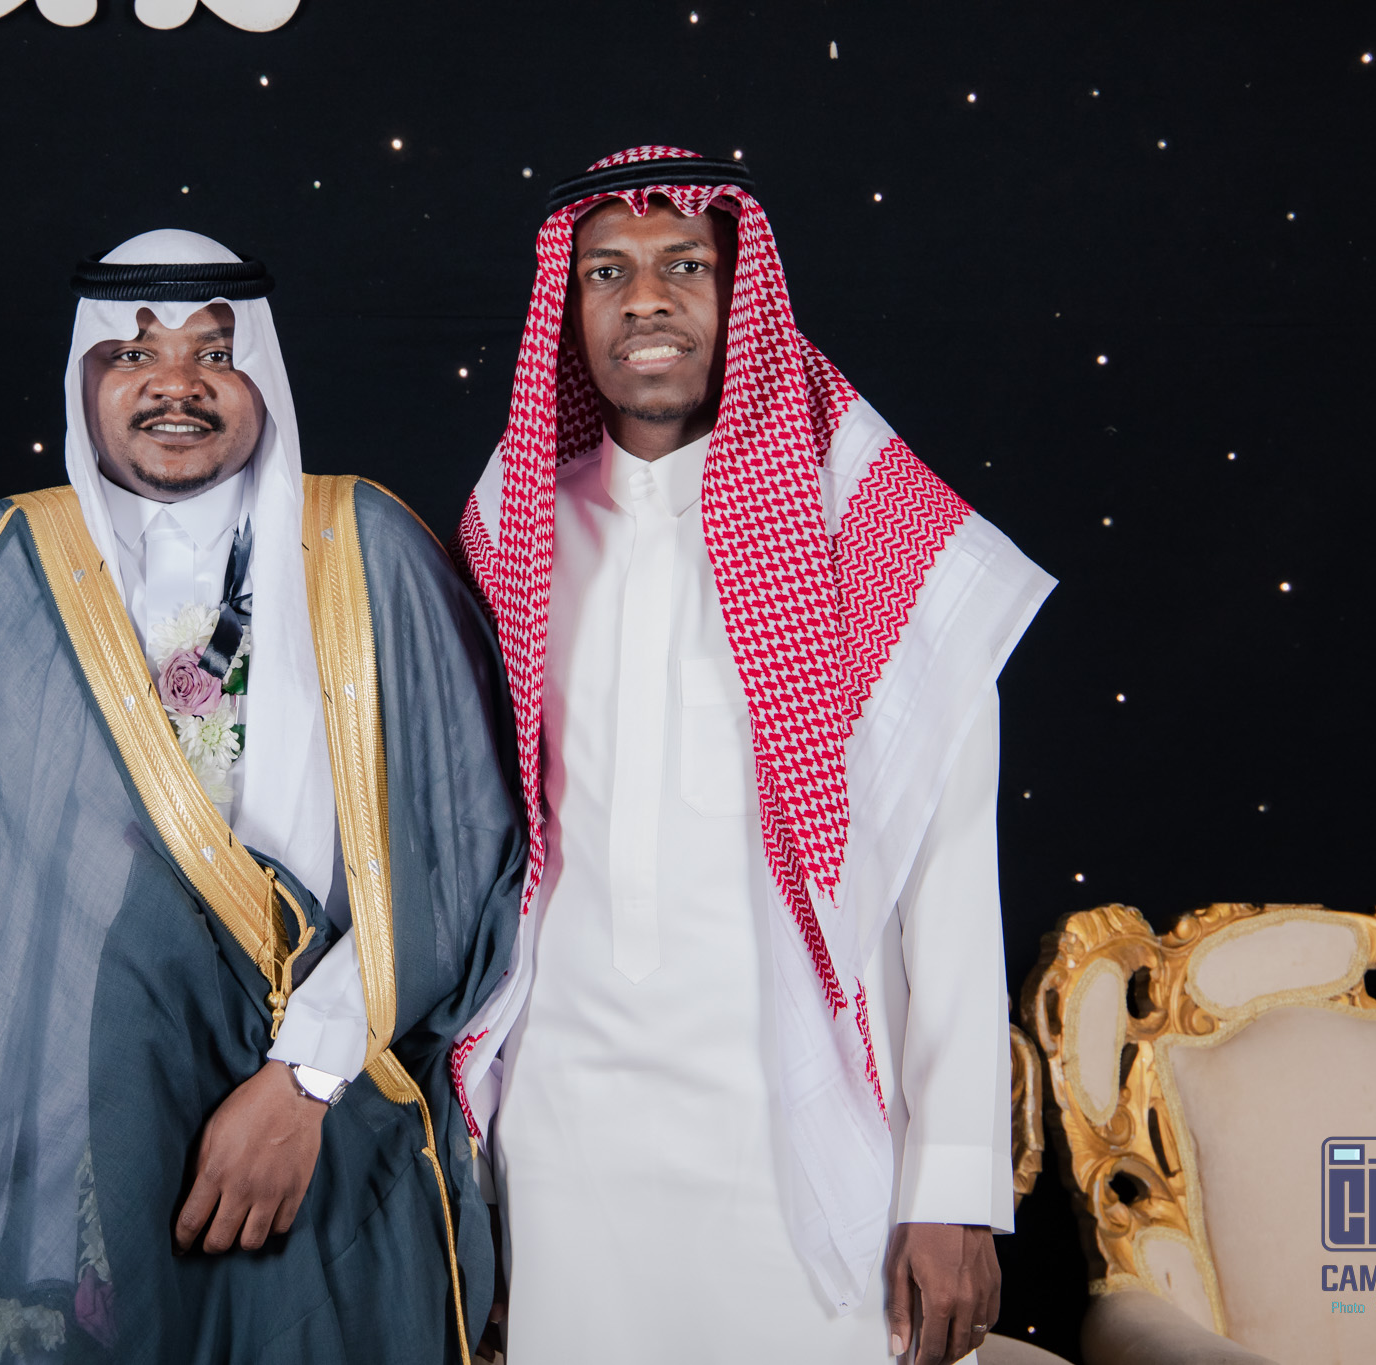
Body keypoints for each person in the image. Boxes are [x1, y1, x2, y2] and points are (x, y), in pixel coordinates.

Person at [0, 229, 524, 1365]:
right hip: (54, 1155)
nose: (176, 384)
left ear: (264, 375)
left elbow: (463, 851)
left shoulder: (369, 550)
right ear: (85, 375)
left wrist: (304, 1080)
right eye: (134, 353)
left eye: (215, 352)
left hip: (320, 1143)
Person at [451, 149, 1055, 1365]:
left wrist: (950, 1186)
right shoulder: (510, 527)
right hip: (569, 1141)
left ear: (744, 296)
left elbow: (948, 883)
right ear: (568, 309)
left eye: (685, 266)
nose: (646, 300)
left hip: (798, 1130)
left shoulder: (873, 531)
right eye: (606, 273)